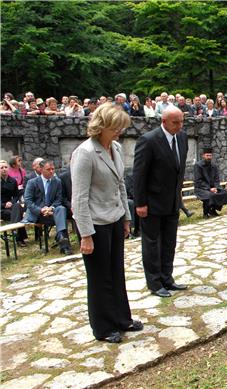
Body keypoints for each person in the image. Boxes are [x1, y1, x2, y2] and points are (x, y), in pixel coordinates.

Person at [71, 102, 142, 344]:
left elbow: (120, 184)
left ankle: (122, 319)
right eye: (115, 128)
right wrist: (86, 235)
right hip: (95, 224)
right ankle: (102, 327)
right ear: (102, 126)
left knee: (116, 272)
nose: (119, 132)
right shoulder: (85, 153)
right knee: (100, 277)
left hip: (114, 218)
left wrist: (126, 217)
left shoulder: (117, 148)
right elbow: (79, 198)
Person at [133, 106, 188, 298]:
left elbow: (178, 170)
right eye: (175, 122)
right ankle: (155, 283)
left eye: (181, 121)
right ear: (163, 121)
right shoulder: (148, 141)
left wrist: (178, 197)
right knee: (152, 244)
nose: (179, 126)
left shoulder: (182, 137)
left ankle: (167, 278)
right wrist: (140, 203)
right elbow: (139, 174)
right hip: (152, 203)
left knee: (169, 243)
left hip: (172, 202)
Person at [22, 159, 73, 254]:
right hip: (37, 214)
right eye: (48, 169)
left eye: (53, 169)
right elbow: (28, 201)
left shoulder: (57, 182)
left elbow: (58, 199)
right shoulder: (32, 182)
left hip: (52, 212)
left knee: (61, 209)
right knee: (61, 217)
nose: (51, 171)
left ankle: (62, 239)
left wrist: (51, 208)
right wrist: (41, 210)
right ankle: (64, 243)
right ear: (41, 170)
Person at [194, 148, 227, 218]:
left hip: (213, 187)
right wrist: (209, 189)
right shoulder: (198, 165)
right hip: (201, 188)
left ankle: (213, 210)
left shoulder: (214, 166)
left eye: (210, 155)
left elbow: (216, 179)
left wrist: (216, 187)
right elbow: (199, 180)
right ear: (203, 156)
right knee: (210, 195)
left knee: (223, 192)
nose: (209, 157)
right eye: (207, 155)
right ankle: (205, 213)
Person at [1, 160, 27, 245]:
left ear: (8, 168)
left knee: (17, 207)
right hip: (1, 208)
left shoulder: (13, 181)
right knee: (18, 213)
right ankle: (19, 238)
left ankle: (16, 234)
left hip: (11, 205)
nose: (4, 169)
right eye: (1, 168)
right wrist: (4, 204)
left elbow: (16, 195)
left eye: (5, 167)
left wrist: (11, 202)